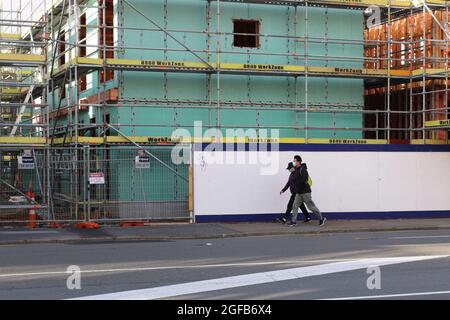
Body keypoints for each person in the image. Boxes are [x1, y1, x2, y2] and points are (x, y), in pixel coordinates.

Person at [288, 155, 326, 227]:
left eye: (294, 161)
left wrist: (297, 183)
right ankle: (293, 221)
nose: (293, 162)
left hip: (305, 192)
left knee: (311, 207)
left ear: (298, 162)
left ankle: (321, 219)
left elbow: (304, 179)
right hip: (299, 192)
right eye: (293, 161)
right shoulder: (296, 170)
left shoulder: (303, 169)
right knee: (295, 206)